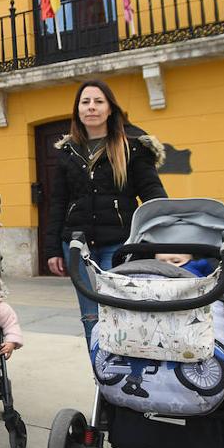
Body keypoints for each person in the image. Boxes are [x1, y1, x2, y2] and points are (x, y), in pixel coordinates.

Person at [42, 80, 167, 355]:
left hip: (119, 244)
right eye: (85, 102)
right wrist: (52, 249)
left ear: (110, 108)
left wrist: (166, 233)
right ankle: (103, 380)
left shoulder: (133, 145)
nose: (91, 107)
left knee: (122, 312)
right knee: (91, 316)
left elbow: (152, 193)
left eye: (98, 101)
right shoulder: (67, 151)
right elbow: (58, 203)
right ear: (78, 110)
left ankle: (126, 377)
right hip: (78, 245)